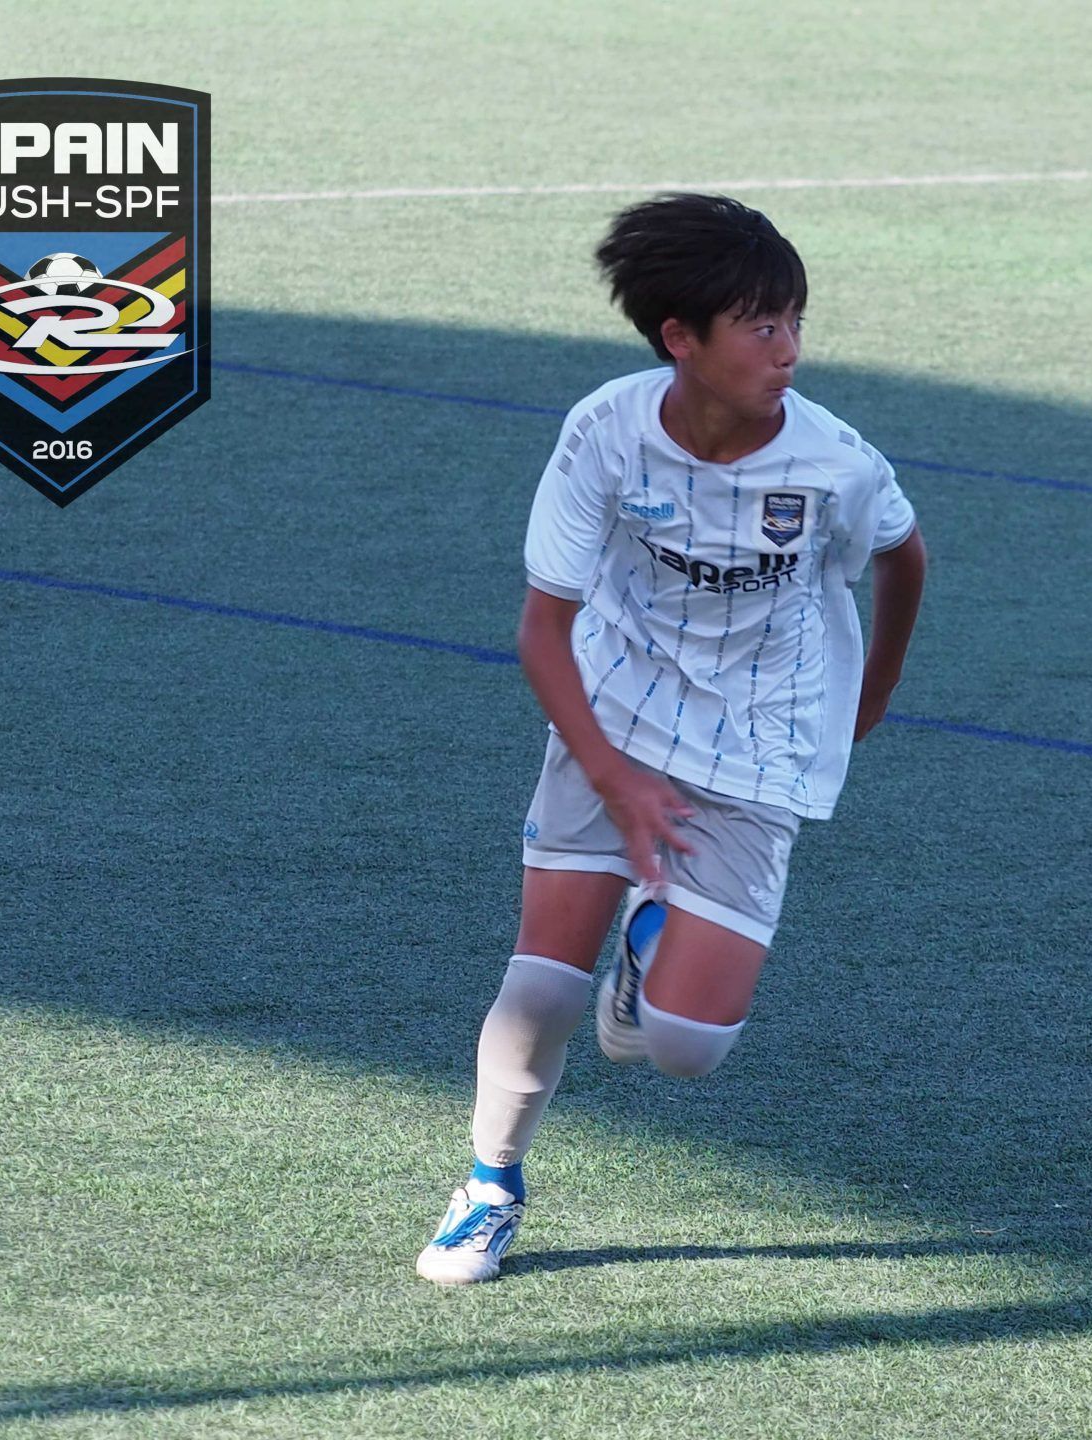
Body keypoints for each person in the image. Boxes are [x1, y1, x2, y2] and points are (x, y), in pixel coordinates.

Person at [417, 193, 928, 1285]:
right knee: (542, 986)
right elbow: (542, 629)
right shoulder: (605, 431)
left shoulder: (834, 463)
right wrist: (615, 776)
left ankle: (649, 951)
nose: (788, 350)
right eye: (761, 326)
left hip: (757, 743)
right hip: (615, 708)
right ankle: (488, 1187)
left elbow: (905, 556)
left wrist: (867, 696)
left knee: (688, 1052)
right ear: (680, 340)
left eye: (794, 320)